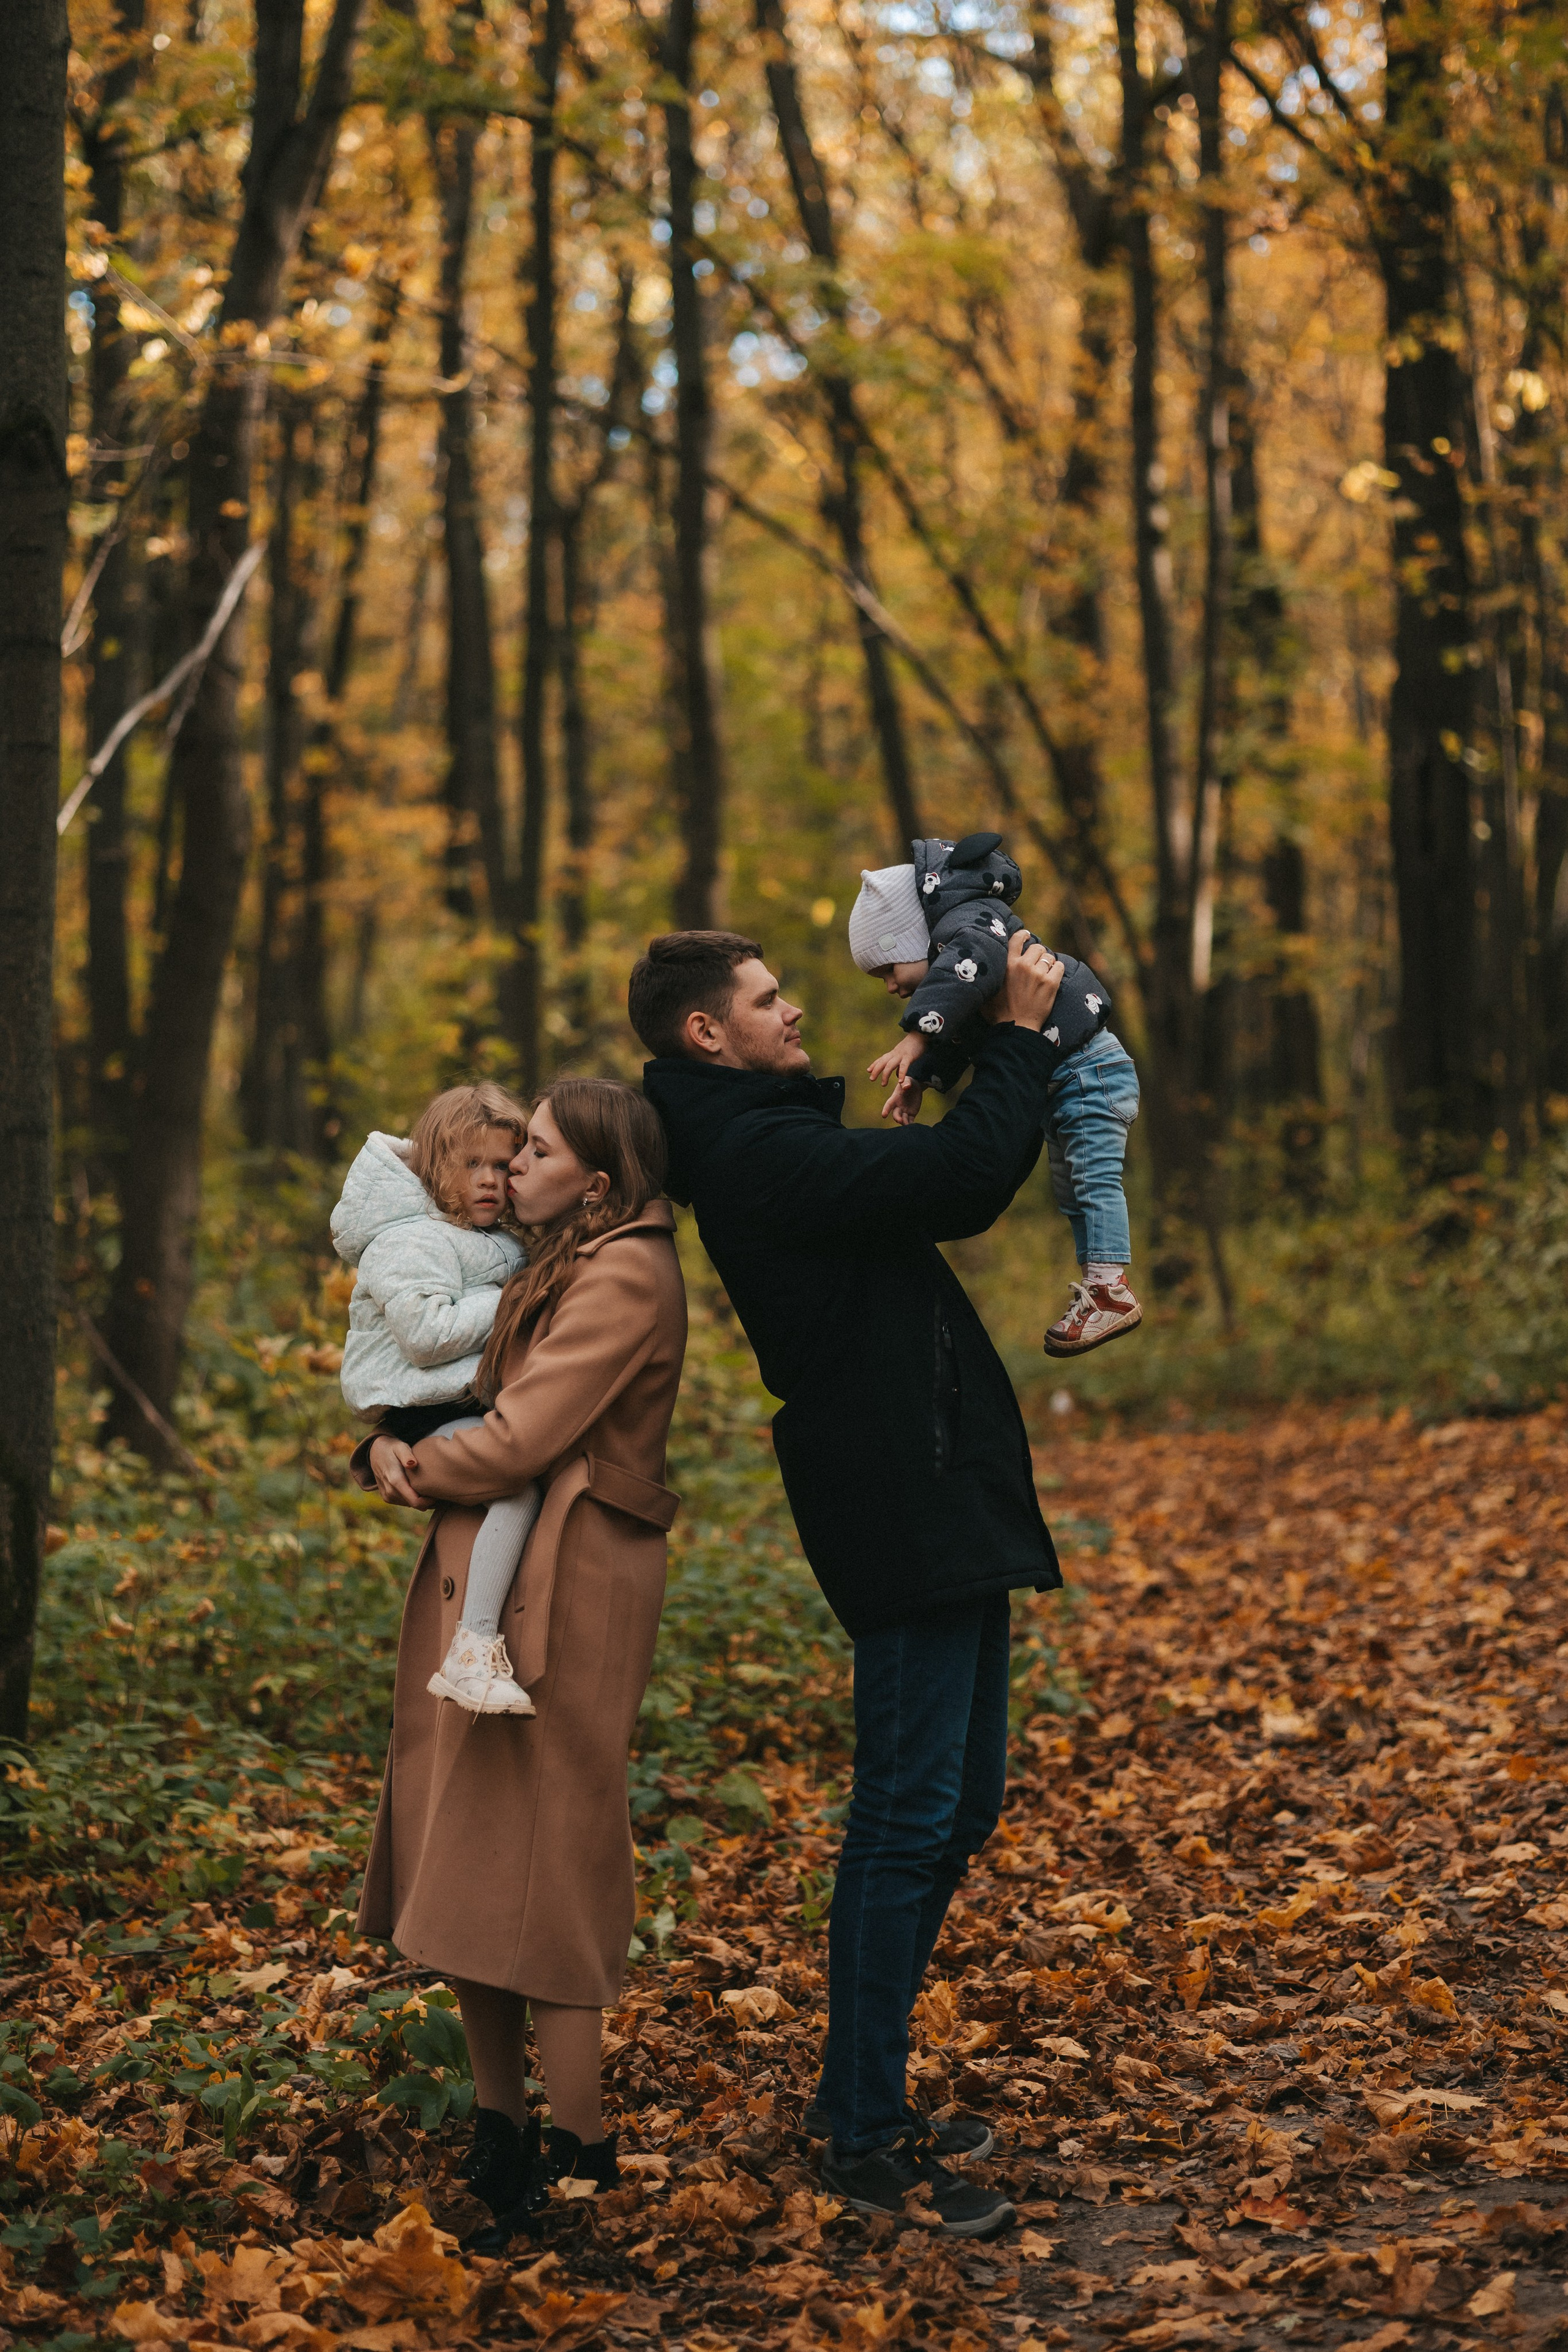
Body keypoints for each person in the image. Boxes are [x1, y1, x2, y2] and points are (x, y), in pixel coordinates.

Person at [635, 925, 1068, 2240]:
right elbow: (958, 1180)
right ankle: (861, 2131)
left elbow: (916, 1180)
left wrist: (951, 1051)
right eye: (768, 1002)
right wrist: (1021, 1038)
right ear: (708, 1033)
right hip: (898, 1496)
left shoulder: (769, 1139)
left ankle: (865, 2095)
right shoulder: (758, 1153)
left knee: (961, 1805)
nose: (792, 1016)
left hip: (937, 1482)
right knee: (904, 1813)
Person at [352, 1077, 687, 2252]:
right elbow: (457, 1380)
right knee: (474, 1852)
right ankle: (501, 2129)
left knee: (554, 1857)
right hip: (489, 1573)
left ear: (595, 1183)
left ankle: (581, 2142)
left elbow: (525, 1432)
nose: (511, 1168)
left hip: (569, 1586)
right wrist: (384, 1438)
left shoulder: (627, 1271)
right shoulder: (539, 1256)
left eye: (536, 1152)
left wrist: (413, 1468)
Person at [850, 832, 1142, 1359]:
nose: (892, 987)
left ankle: (1110, 1290)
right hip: (1068, 1080)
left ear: (911, 941)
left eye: (889, 970)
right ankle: (1099, 1282)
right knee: (1073, 1187)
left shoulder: (972, 929)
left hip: (1091, 1072)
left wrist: (916, 1034)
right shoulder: (966, 954)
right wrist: (924, 1077)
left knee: (1094, 1178)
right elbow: (965, 1032)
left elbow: (970, 966)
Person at [331, 1083, 540, 1716]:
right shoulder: (406, 1239)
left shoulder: (474, 1236)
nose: (488, 1180)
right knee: (516, 1489)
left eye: (502, 1166)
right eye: (469, 1164)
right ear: (432, 1165)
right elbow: (425, 1335)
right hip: (429, 1413)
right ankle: (473, 1647)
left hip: (457, 1404)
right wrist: (515, 1298)